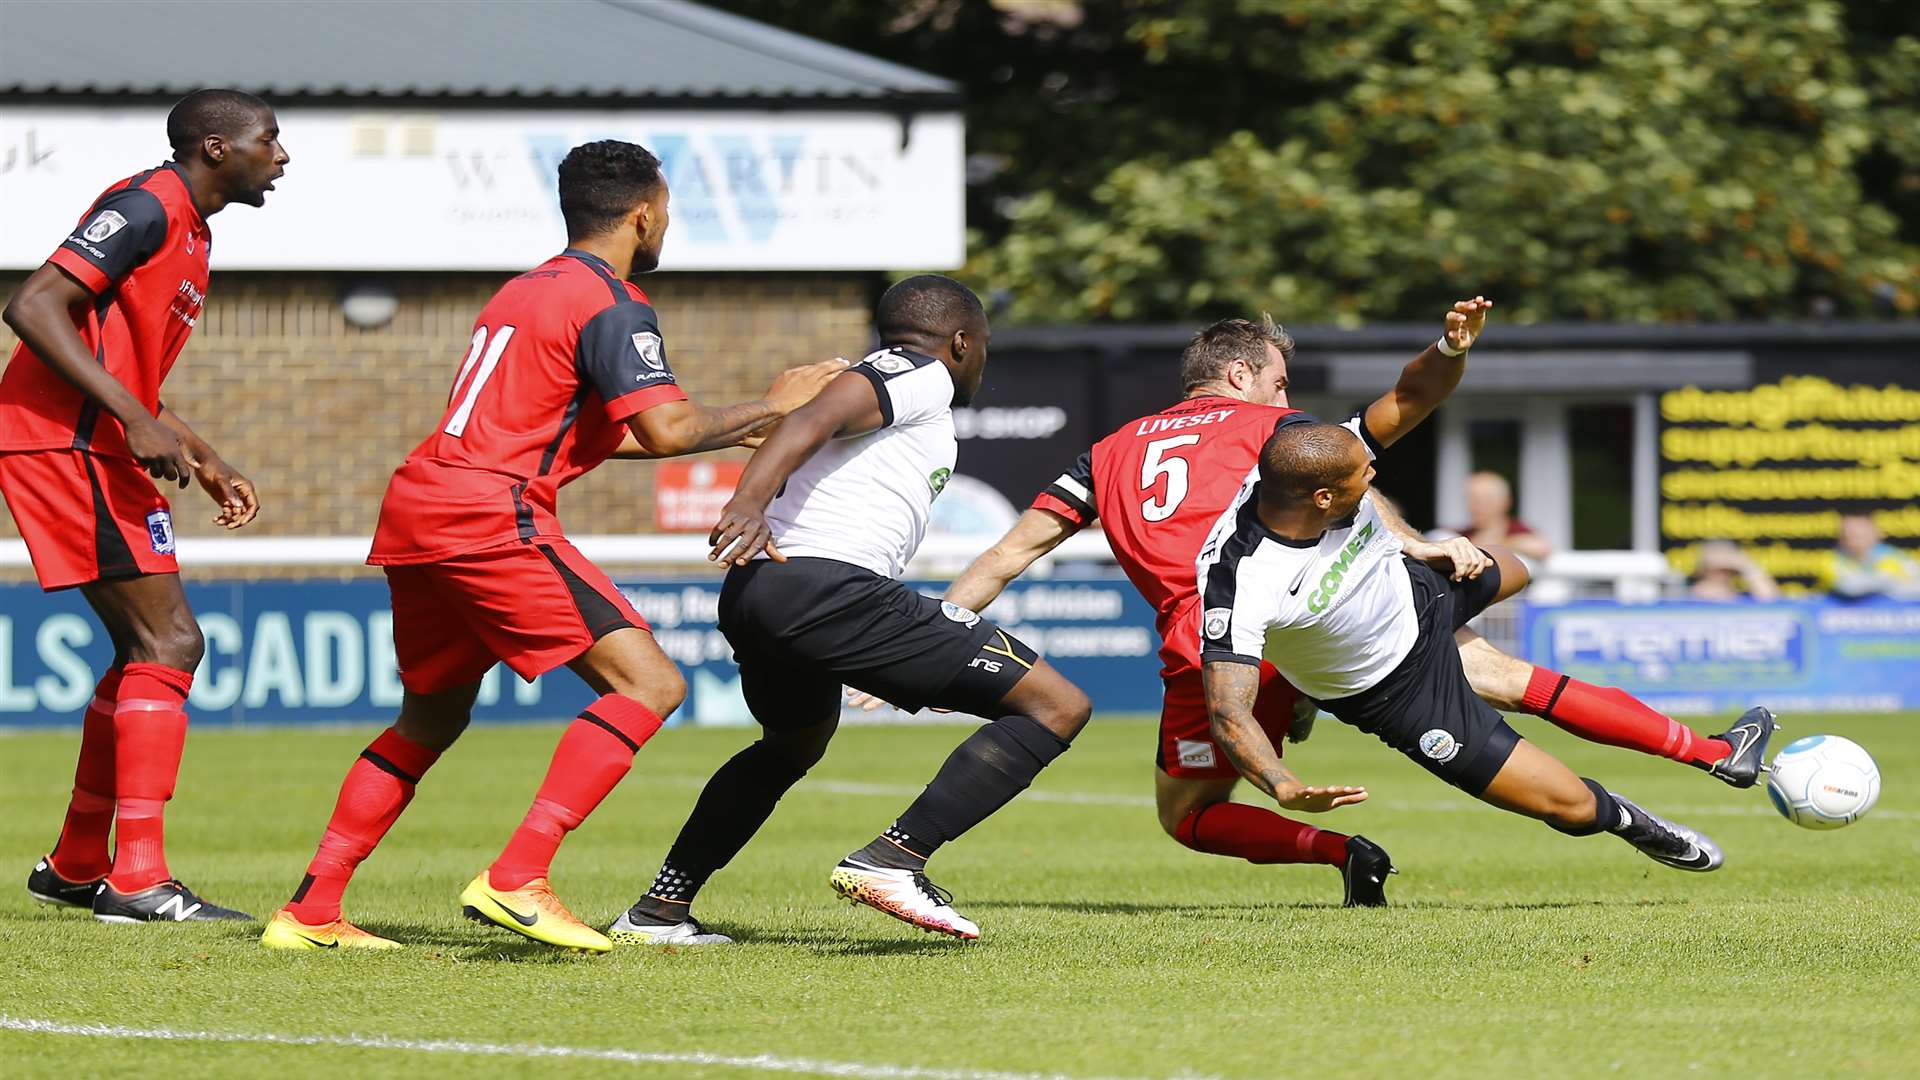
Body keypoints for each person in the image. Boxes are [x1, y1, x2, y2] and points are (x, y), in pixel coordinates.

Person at [860, 299, 1767, 909]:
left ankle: (1343, 851)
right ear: (1247, 377)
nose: (1289, 398)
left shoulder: (1108, 451)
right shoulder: (1277, 434)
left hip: (1225, 649)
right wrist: (1419, 537)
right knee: (1499, 642)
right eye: (1282, 382)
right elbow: (1351, 462)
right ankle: (1707, 754)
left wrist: (923, 641)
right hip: (1275, 639)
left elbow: (1011, 552)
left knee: (1191, 817)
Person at [259, 140, 845, 952]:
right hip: (489, 515)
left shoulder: (527, 290)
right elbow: (665, 422)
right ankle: (517, 877)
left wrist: (723, 437)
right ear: (643, 213)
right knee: (648, 684)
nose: (667, 224)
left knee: (429, 718)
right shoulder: (612, 301)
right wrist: (774, 404)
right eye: (667, 210)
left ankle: (311, 909)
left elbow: (583, 430)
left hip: (422, 506)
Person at [610, 275, 1090, 944]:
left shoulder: (894, 396)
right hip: (824, 589)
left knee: (792, 743)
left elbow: (804, 425)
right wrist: (746, 503)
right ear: (959, 341)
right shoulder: (916, 372)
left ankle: (658, 911)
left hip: (760, 593)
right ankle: (895, 859)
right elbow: (810, 418)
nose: (982, 358)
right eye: (982, 345)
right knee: (1058, 705)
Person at [1196, 423, 1778, 875]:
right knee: (1569, 807)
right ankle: (1631, 818)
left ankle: (1717, 754)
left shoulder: (1295, 471)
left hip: (1418, 595)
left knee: (1515, 567)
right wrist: (1283, 784)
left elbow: (1384, 459)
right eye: (1359, 475)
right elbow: (1228, 710)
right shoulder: (1240, 580)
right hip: (1394, 691)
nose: (1371, 476)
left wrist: (1420, 546)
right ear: (1322, 497)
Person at [3, 90, 288, 924]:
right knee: (171, 638)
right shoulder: (148, 204)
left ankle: (78, 863)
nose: (281, 154)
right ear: (214, 147)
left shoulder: (194, 229)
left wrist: (200, 453)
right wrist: (132, 421)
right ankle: (136, 879)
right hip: (64, 441)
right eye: (268, 139)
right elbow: (31, 306)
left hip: (95, 438)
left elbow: (125, 368)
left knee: (143, 651)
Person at [1448, 470, 1552, 561]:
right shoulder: (1459, 534)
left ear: (1506, 502)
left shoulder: (1518, 529)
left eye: (1487, 500)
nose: (1478, 506)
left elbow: (1541, 548)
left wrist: (1492, 544)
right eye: (1473, 499)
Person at [1817, 514, 1920, 599]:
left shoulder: (1894, 557)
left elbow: (1916, 584)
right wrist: (1888, 581)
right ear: (1841, 537)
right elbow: (1851, 588)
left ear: (1876, 534)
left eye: (1860, 534)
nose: (1853, 539)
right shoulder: (1829, 560)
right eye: (1848, 534)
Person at [1689, 539, 1781, 602]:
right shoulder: (1695, 596)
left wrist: (1747, 566)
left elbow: (1771, 600)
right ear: (1703, 570)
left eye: (1726, 569)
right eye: (1716, 570)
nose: (1722, 575)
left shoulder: (1739, 595)